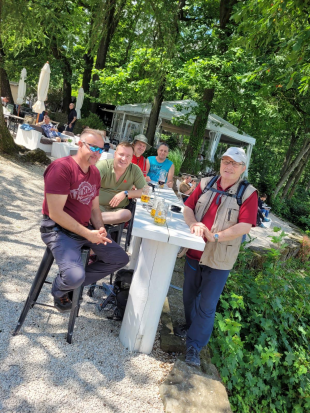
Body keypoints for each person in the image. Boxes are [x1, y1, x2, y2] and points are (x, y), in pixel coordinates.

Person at [177, 147, 258, 367]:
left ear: (243, 168)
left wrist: (216, 236)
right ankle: (190, 325)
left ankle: (194, 347)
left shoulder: (248, 193)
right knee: (188, 296)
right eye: (226, 161)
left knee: (207, 305)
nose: (229, 166)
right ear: (220, 163)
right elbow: (187, 207)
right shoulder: (205, 183)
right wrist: (193, 223)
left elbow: (245, 226)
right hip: (194, 254)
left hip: (220, 259)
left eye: (235, 163)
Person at [40, 128, 129, 312]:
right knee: (74, 276)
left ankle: (72, 283)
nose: (97, 153)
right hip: (57, 229)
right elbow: (55, 214)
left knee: (119, 258)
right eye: (93, 148)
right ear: (80, 144)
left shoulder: (94, 173)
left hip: (83, 228)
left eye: (101, 149)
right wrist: (88, 233)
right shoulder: (61, 168)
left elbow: (95, 208)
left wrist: (100, 228)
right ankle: (60, 288)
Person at [96, 142, 146, 225]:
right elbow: (90, 185)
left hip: (117, 211)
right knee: (86, 209)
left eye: (128, 156)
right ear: (115, 154)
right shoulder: (103, 165)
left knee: (127, 214)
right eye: (121, 154)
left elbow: (145, 191)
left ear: (131, 158)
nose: (124, 159)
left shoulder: (134, 170)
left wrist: (125, 193)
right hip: (97, 207)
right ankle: (95, 218)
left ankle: (94, 219)